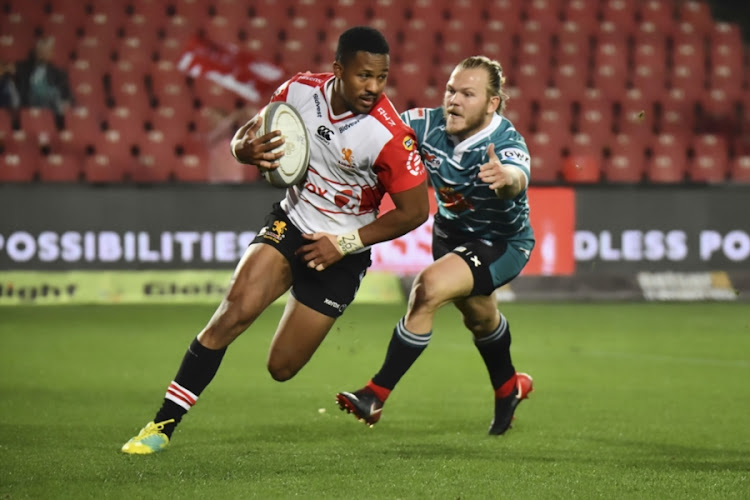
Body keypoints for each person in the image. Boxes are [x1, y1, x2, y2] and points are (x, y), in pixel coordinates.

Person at [121, 26, 429, 454]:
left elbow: (416, 212)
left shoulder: (390, 136)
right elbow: (246, 135)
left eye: (381, 77)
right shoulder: (300, 91)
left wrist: (343, 244)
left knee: (281, 367)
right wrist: (240, 150)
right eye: (363, 76)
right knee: (232, 312)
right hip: (291, 223)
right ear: (338, 70)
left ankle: (297, 293)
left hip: (340, 254)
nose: (373, 87)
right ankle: (160, 426)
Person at [336, 55, 535, 436]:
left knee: (427, 290)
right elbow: (374, 130)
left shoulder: (505, 141)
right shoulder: (423, 125)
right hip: (449, 236)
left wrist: (505, 178)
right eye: (451, 90)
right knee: (480, 319)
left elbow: (516, 176)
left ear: (493, 103)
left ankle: (375, 395)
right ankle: (510, 387)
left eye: (468, 94)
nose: (454, 100)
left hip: (501, 243)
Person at [14, 36, 73, 126]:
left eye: (46, 51)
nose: (43, 54)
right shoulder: (23, 70)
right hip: (27, 111)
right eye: (41, 51)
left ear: (51, 54)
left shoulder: (59, 73)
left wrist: (65, 103)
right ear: (36, 52)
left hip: (50, 113)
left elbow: (68, 97)